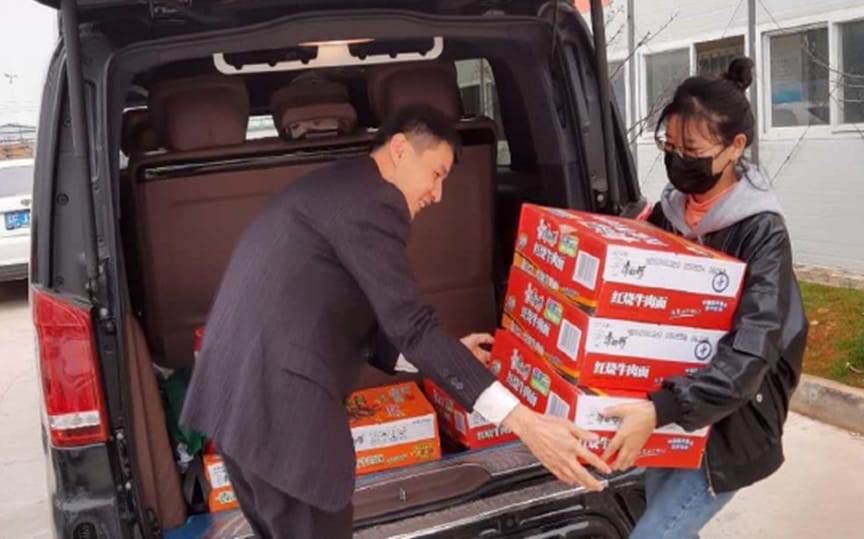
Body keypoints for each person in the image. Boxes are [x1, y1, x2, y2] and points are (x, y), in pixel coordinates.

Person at [180, 104, 611, 538]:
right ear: (401, 148)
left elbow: (357, 319)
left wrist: (447, 356)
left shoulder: (340, 188)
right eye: (436, 174)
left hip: (239, 407)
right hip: (285, 417)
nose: (438, 194)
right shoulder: (373, 202)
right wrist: (524, 421)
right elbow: (413, 325)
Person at [599, 57, 808, 538]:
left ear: (736, 147)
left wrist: (662, 410)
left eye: (692, 150)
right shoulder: (670, 212)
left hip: (731, 419)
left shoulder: (762, 231)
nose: (678, 161)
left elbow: (752, 350)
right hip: (671, 399)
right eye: (670, 147)